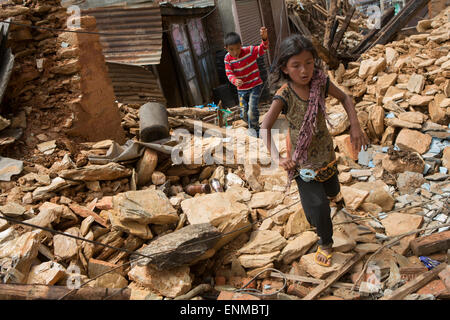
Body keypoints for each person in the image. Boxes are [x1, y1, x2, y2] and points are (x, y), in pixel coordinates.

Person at [261, 35, 369, 267]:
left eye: (309, 62)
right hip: (302, 161)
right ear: (284, 68)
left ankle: (334, 199)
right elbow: (264, 127)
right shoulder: (285, 95)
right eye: (296, 65)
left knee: (332, 188)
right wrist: (278, 158)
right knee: (318, 207)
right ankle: (326, 241)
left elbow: (346, 98)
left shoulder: (321, 82)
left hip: (326, 154)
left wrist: (355, 125)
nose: (304, 70)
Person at [224, 27, 269, 137]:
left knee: (251, 110)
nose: (235, 52)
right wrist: (234, 80)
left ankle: (255, 132)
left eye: (238, 48)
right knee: (244, 113)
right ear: (226, 48)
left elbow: (263, 49)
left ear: (241, 45)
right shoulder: (227, 59)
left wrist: (264, 38)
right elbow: (229, 73)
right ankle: (253, 124)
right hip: (241, 90)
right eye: (231, 49)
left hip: (255, 86)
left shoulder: (249, 51)